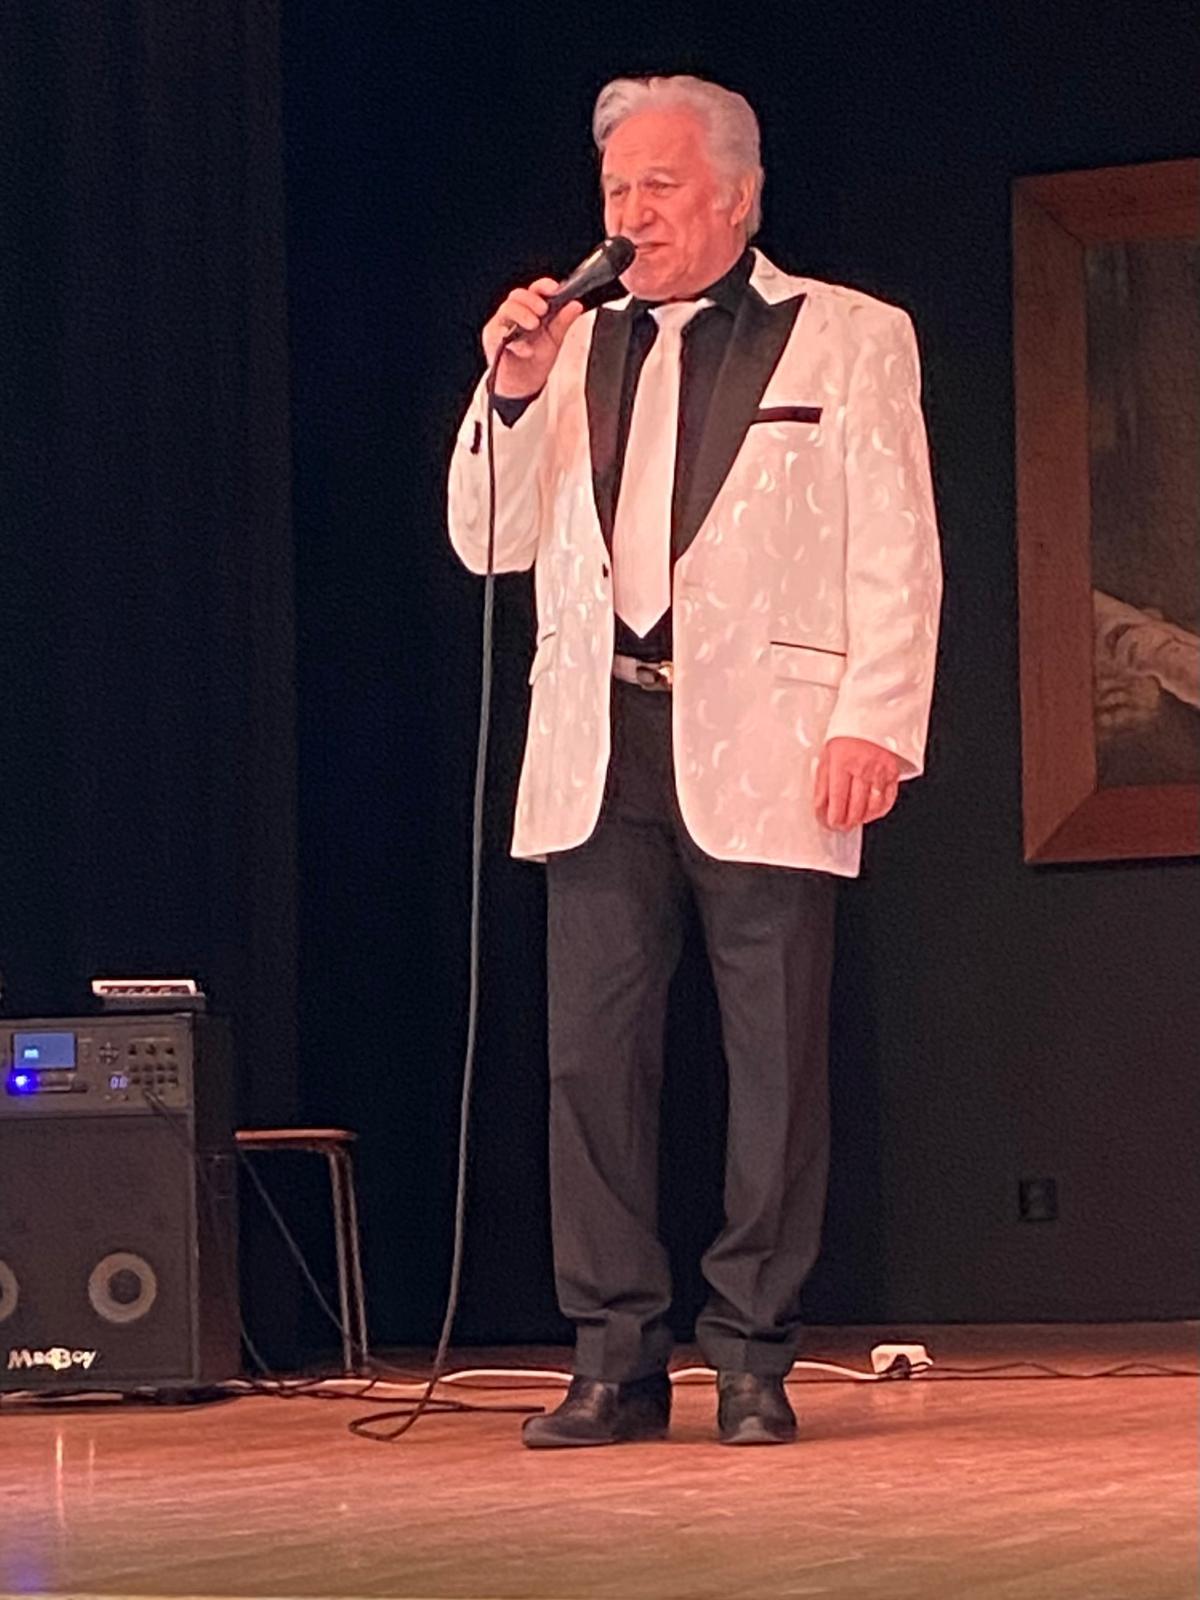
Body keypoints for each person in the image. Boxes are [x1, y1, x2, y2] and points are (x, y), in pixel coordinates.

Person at [448, 74, 941, 1448]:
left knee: (773, 1061)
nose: (632, 213)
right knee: (592, 1063)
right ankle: (614, 1356)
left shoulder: (848, 334)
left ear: (738, 195)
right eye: (617, 189)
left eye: (659, 186)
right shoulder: (571, 346)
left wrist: (876, 719)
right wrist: (511, 388)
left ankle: (752, 1353)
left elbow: (898, 542)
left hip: (773, 737)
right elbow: (485, 539)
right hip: (599, 739)